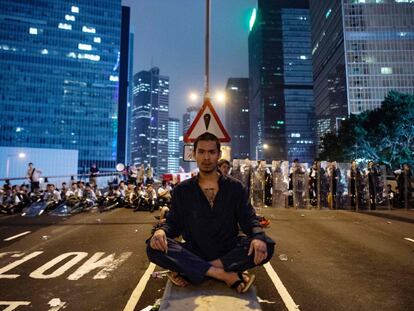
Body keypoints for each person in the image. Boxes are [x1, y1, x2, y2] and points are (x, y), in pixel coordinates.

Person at [147, 133, 275, 293]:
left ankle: (195, 269)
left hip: (228, 249)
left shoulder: (235, 188)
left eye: (211, 152)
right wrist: (160, 231)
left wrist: (257, 237)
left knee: (267, 244)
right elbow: (174, 224)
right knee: (152, 247)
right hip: (194, 248)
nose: (206, 157)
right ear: (194, 154)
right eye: (201, 152)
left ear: (219, 155)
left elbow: (249, 220)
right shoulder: (182, 190)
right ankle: (222, 274)